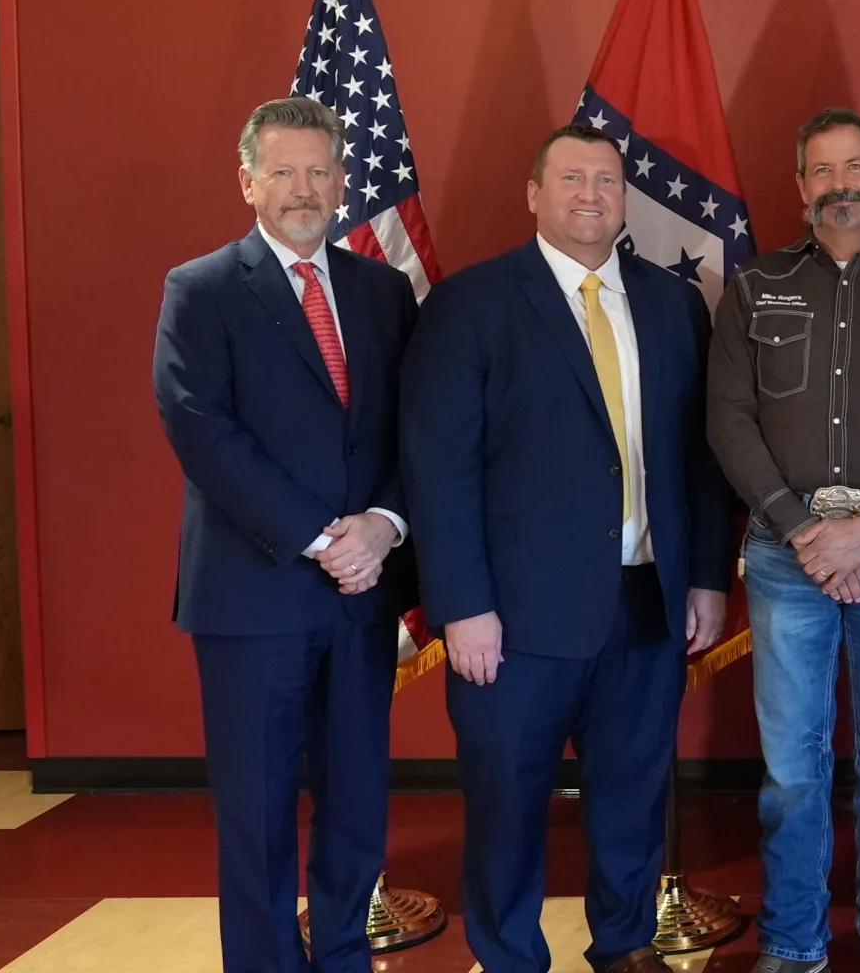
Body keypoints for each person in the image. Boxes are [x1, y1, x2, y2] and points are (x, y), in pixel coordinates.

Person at [402, 124, 735, 973]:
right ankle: (511, 957)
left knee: (630, 798)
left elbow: (696, 455)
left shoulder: (670, 303)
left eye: (608, 181)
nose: (591, 195)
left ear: (625, 197)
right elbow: (438, 468)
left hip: (646, 605)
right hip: (512, 621)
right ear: (534, 194)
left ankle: (623, 945)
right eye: (572, 179)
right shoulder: (470, 304)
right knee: (507, 804)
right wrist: (461, 606)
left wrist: (703, 576)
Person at [152, 96, 416, 973]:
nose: (304, 189)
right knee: (258, 811)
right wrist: (320, 538)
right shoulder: (201, 289)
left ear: (343, 182)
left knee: (356, 801)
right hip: (253, 592)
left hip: (363, 594)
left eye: (319, 171)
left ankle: (343, 954)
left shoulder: (383, 291)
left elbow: (412, 428)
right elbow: (202, 432)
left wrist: (380, 527)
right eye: (284, 171)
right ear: (248, 182)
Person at [708, 109, 860, 973]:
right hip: (787, 558)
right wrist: (806, 528)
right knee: (791, 768)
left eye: (855, 167)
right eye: (822, 170)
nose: (840, 183)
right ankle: (794, 939)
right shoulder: (752, 286)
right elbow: (728, 419)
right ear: (800, 186)